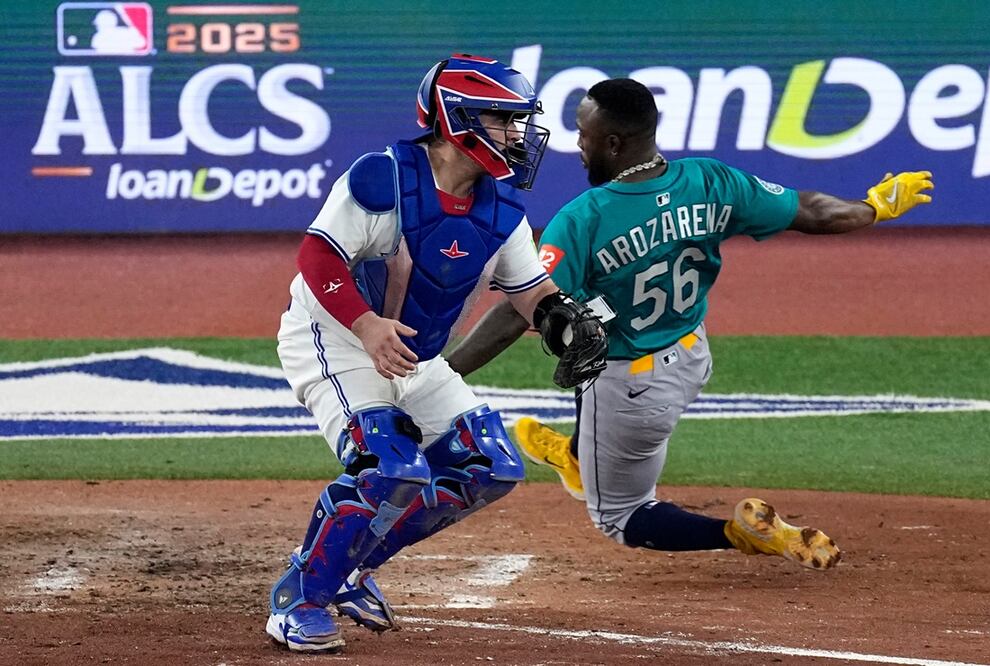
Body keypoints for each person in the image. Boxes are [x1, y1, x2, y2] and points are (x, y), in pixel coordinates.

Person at [447, 78, 934, 571]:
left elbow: (516, 312)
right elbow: (811, 211)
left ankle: (740, 535)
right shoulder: (710, 180)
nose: (577, 145)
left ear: (613, 143)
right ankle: (578, 454)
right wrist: (874, 208)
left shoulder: (582, 218)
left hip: (631, 390)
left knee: (619, 514)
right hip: (691, 353)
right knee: (588, 323)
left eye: (583, 134)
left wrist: (444, 373)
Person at [265, 54, 606, 653]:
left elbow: (534, 295)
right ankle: (300, 599)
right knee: (388, 466)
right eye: (505, 121)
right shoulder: (383, 178)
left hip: (415, 357)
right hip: (338, 340)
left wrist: (566, 323)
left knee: (488, 465)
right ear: (457, 118)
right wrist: (367, 326)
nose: (518, 137)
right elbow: (319, 257)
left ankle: (348, 565)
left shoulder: (501, 213)